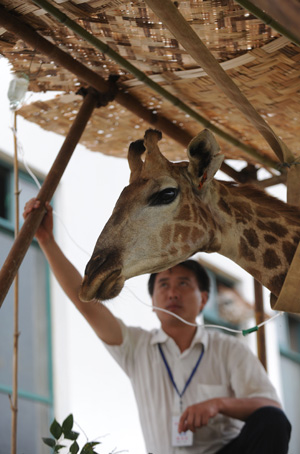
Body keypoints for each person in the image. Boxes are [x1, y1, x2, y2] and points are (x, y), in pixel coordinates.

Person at [23, 199, 291, 454]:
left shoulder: (229, 350)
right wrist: (46, 241)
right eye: (164, 285)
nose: (173, 293)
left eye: (183, 284)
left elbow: (270, 409)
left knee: (272, 422)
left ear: (204, 300)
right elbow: (86, 304)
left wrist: (219, 404)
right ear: (152, 301)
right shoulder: (136, 347)